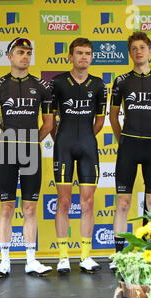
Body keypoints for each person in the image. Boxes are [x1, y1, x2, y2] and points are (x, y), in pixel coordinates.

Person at [0, 37, 54, 277]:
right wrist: (3, 142)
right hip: (7, 152)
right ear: (10, 56)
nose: (25, 56)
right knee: (6, 207)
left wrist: (33, 141)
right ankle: (4, 261)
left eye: (28, 52)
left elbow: (48, 122)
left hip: (31, 152)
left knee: (30, 208)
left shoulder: (42, 86)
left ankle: (31, 261)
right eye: (20, 52)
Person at [109, 31, 151, 271]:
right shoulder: (121, 81)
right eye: (134, 48)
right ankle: (119, 255)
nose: (138, 52)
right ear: (130, 53)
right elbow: (113, 115)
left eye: (142, 48)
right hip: (129, 146)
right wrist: (121, 140)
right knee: (123, 202)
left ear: (149, 52)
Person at [49, 38, 106, 274]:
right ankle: (63, 256)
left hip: (88, 147)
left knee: (88, 203)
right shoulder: (58, 83)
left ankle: (85, 255)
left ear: (92, 57)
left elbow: (100, 120)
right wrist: (61, 138)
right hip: (63, 145)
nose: (84, 57)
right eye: (79, 53)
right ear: (70, 56)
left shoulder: (99, 84)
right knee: (63, 202)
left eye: (88, 53)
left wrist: (84, 138)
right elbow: (50, 120)